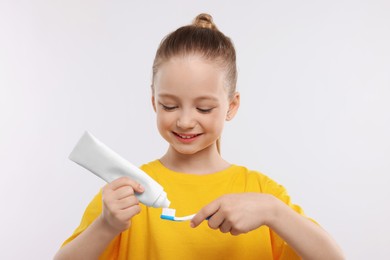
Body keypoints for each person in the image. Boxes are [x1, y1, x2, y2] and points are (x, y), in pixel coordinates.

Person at [54, 13, 344, 260]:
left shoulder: (260, 192)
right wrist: (106, 225)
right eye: (169, 105)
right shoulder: (130, 193)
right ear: (154, 102)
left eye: (204, 108)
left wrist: (273, 212)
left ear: (232, 106)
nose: (184, 120)